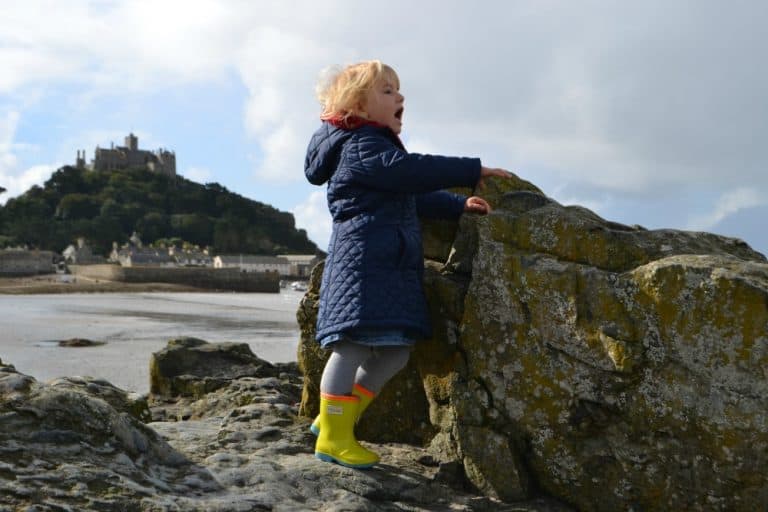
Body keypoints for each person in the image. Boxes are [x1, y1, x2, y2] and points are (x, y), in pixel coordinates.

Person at [304, 60, 511, 468]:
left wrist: (456, 204)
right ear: (359, 107)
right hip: (363, 264)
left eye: (398, 90)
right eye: (387, 91)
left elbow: (408, 195)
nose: (400, 97)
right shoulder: (362, 145)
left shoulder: (374, 147)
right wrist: (471, 170)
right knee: (349, 346)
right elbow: (411, 172)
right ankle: (332, 435)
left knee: (396, 352)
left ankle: (337, 419)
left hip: (385, 266)